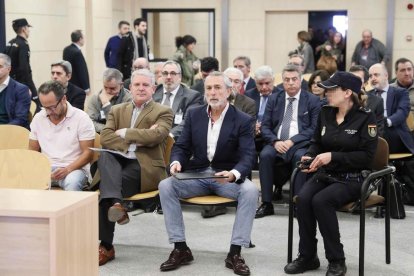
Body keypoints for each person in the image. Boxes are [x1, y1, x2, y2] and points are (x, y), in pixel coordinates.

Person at [158, 71, 258, 275]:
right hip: (199, 174)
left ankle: (235, 252)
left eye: (218, 87)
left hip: (226, 177)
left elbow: (248, 156)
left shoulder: (243, 119)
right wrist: (176, 162)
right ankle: (180, 248)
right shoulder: (194, 114)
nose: (213, 93)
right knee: (165, 185)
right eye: (209, 88)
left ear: (229, 91)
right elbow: (182, 147)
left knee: (250, 191)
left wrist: (234, 173)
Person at [284, 71, 378, 276]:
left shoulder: (366, 118)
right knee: (304, 198)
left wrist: (333, 157)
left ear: (347, 93)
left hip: (353, 178)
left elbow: (367, 157)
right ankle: (308, 256)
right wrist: (310, 156)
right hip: (326, 174)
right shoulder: (325, 112)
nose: (326, 92)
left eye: (332, 89)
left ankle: (337, 260)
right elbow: (316, 142)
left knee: (321, 201)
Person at [98, 69, 173, 266]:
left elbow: (157, 136)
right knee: (105, 155)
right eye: (137, 85)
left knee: (106, 188)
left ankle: (106, 246)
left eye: (145, 85)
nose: (141, 88)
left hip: (144, 166)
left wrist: (125, 133)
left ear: (153, 89)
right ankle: (117, 204)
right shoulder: (117, 110)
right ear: (129, 88)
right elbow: (105, 137)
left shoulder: (163, 111)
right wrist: (137, 138)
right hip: (115, 160)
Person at [256, 64, 320, 218]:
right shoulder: (274, 99)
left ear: (300, 80)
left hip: (300, 143)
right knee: (265, 155)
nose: (290, 83)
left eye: (294, 79)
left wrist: (292, 141)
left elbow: (314, 128)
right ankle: (266, 203)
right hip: (277, 142)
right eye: (287, 80)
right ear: (282, 82)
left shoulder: (311, 99)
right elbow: (265, 127)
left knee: (300, 157)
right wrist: (275, 141)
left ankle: (298, 204)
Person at [29, 80, 95, 191]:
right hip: (46, 168)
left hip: (74, 168)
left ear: (64, 99)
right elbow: (32, 151)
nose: (49, 112)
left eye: (52, 107)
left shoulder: (81, 118)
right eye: (45, 107)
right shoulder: (39, 118)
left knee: (72, 183)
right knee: (26, 181)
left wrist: (68, 169)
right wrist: (38, 170)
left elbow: (88, 153)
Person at [368, 63, 414, 153]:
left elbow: (402, 112)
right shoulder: (368, 95)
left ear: (386, 76)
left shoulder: (400, 92)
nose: (373, 78)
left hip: (393, 130)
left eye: (376, 75)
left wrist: (386, 122)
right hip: (373, 131)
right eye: (370, 76)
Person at [153, 60, 202, 139]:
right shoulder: (154, 94)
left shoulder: (192, 97)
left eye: (173, 73)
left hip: (175, 142)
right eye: (165, 73)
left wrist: (169, 136)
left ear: (180, 77)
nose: (168, 77)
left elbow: (188, 122)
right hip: (152, 140)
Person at [5, 18, 38, 108]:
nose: (29, 31)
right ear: (24, 29)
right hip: (21, 84)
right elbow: (24, 68)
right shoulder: (23, 44)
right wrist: (30, 88)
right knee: (35, 107)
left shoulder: (10, 43)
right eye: (28, 28)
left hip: (9, 83)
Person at [87, 68, 132, 133]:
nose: (108, 91)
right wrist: (108, 130)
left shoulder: (129, 99)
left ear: (121, 85)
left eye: (112, 88)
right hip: (100, 136)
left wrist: (106, 105)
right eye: (105, 87)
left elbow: (120, 125)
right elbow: (90, 123)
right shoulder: (96, 98)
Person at [349, 65, 385, 136]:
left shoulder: (376, 102)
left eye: (357, 79)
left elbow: (377, 134)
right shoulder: (341, 98)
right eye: (350, 78)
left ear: (365, 83)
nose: (352, 81)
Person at [0, 53, 31, 128]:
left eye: (0, 66)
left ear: (9, 69)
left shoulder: (21, 90)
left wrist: (3, 130)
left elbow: (20, 119)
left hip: (10, 132)